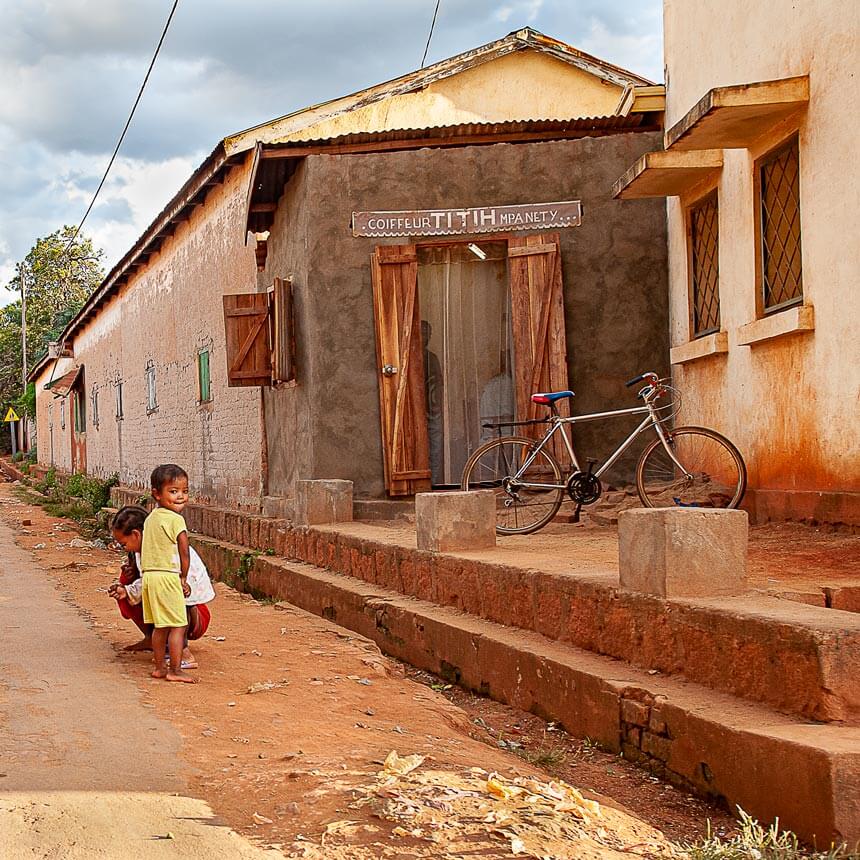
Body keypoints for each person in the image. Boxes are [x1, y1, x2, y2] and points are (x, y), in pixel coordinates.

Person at [109, 505, 215, 667]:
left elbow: (166, 578)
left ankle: (183, 653)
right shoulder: (141, 551)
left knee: (174, 614)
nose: (124, 549)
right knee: (135, 587)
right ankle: (155, 642)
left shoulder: (163, 547)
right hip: (166, 590)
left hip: (187, 600)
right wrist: (128, 587)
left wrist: (131, 590)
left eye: (123, 544)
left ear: (136, 535)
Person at [141, 464, 198, 683]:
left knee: (160, 626)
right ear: (157, 493)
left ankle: (159, 667)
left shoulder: (151, 518)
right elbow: (184, 552)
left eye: (184, 491)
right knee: (179, 625)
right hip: (167, 577)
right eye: (173, 491)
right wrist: (183, 577)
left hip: (149, 577)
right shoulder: (176, 520)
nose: (180, 497)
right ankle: (174, 669)